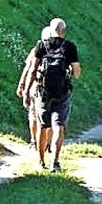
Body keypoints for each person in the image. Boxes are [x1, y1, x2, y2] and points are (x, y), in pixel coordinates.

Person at [23, 17, 81, 172]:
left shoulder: (41, 45)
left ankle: (41, 161)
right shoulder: (70, 47)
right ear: (64, 31)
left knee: (43, 126)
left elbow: (32, 69)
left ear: (50, 30)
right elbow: (76, 73)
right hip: (62, 92)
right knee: (58, 127)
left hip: (42, 92)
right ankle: (54, 162)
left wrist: (26, 91)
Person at [16, 26, 51, 148]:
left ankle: (34, 141)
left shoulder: (36, 50)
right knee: (51, 115)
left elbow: (28, 69)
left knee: (34, 114)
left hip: (37, 86)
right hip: (55, 88)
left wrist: (22, 85)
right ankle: (47, 143)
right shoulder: (62, 50)